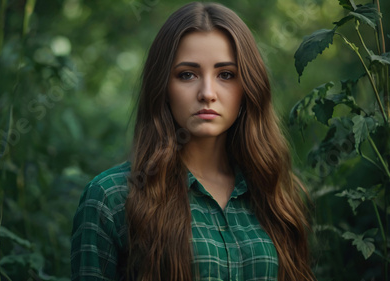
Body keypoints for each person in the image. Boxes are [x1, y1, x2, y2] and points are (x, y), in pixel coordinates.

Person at [71, 2, 315, 281]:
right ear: (162, 86)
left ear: (248, 87)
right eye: (187, 74)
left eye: (226, 74)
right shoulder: (110, 198)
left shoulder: (274, 192)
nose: (207, 93)